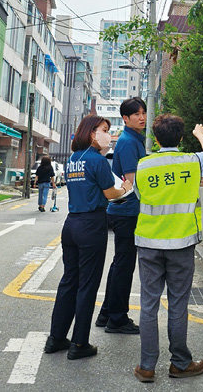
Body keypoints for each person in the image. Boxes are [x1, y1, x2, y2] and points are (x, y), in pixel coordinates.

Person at [133, 115, 203, 383]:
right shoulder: (192, 162)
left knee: (148, 305)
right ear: (181, 138)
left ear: (155, 139)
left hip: (148, 244)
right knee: (178, 304)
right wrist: (200, 134)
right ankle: (180, 363)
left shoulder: (144, 165)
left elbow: (139, 195)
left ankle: (146, 366)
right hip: (181, 244)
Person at [45, 115, 133, 360]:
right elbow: (110, 193)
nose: (108, 134)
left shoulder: (73, 159)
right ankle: (80, 344)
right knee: (88, 284)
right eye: (105, 130)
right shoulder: (97, 161)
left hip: (71, 224)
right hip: (92, 224)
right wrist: (126, 188)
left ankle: (56, 338)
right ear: (92, 133)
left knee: (69, 281)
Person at [96, 97, 147, 334]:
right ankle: (117, 318)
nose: (142, 117)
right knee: (124, 266)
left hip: (124, 211)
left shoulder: (134, 138)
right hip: (126, 211)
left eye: (143, 113)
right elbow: (132, 181)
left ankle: (107, 312)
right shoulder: (128, 141)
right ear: (125, 118)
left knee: (120, 264)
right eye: (136, 114)